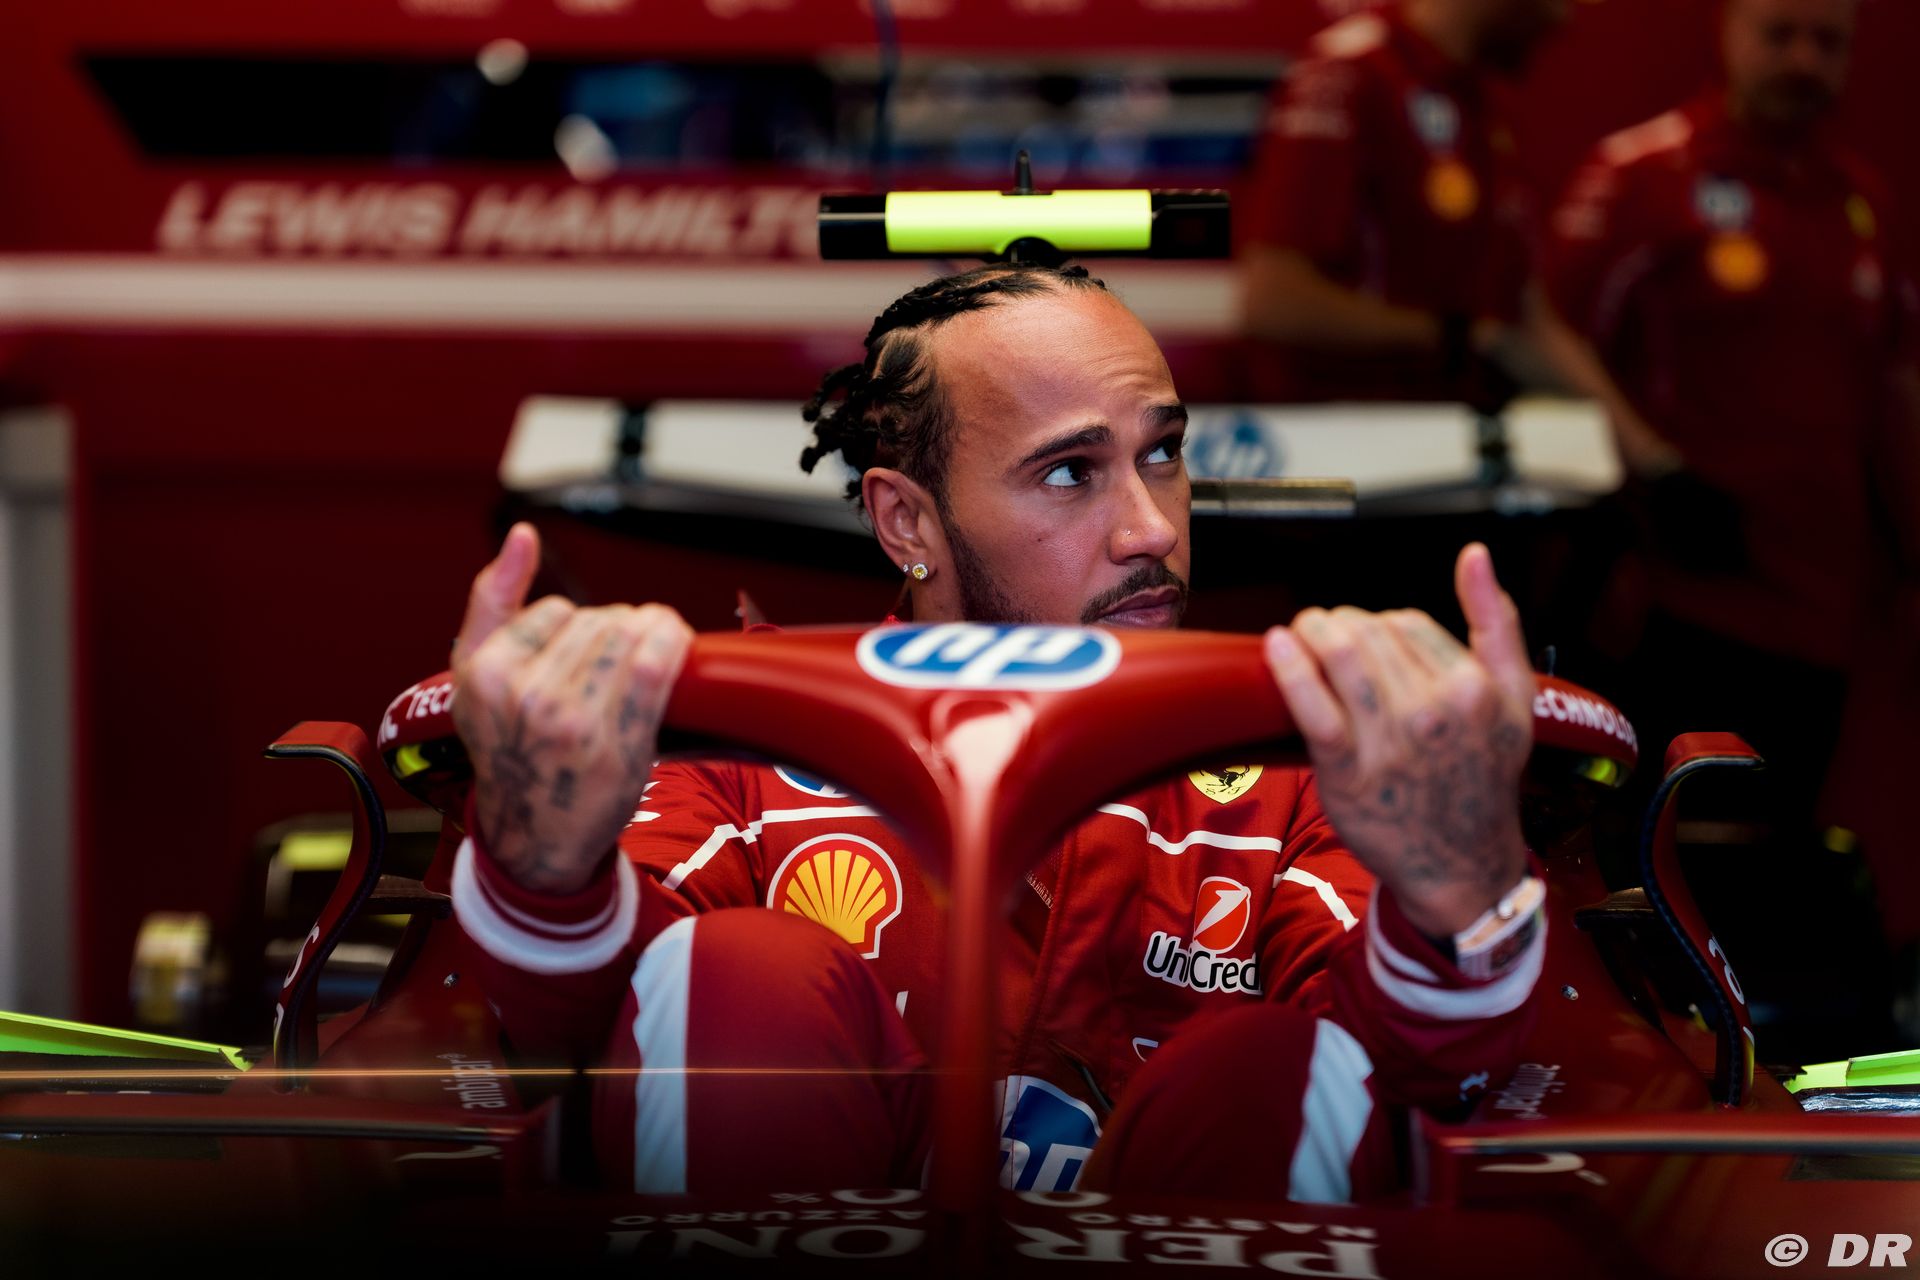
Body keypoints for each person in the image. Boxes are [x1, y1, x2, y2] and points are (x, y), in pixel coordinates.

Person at [446, 264, 1548, 1202]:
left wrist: (1454, 891)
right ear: (907, 520)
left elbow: (1423, 1080)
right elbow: (566, 1037)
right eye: (1071, 472)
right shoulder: (730, 736)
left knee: (1276, 1063)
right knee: (736, 977)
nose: (1151, 528)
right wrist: (546, 870)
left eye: (1162, 454)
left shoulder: (1310, 763)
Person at [1544, 0, 1920, 1044]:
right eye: (1781, 32)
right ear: (1731, 35)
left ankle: (1754, 1088)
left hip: (1823, 612)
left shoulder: (1861, 200)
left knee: (1774, 882)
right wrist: (1654, 472)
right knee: (1658, 876)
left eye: (1827, 41)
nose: (1804, 58)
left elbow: (1893, 388)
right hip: (1680, 609)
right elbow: (1547, 344)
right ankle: (1647, 1073)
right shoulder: (1640, 175)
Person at [1239, 0, 1673, 471]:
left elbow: (1526, 322)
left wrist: (1652, 458)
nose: (1561, 19)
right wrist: (1452, 337)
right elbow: (1272, 303)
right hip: (1346, 464)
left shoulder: (1485, 102)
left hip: (1452, 459)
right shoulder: (1350, 73)